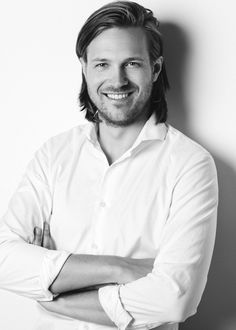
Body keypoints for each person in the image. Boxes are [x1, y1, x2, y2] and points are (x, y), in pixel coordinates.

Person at [0, 1, 218, 330]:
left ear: (155, 68)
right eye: (102, 64)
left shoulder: (191, 165)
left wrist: (53, 293)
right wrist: (118, 268)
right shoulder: (54, 155)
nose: (117, 80)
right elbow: (3, 260)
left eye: (132, 63)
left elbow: (174, 300)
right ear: (85, 67)